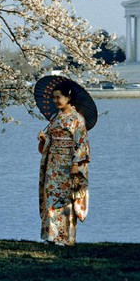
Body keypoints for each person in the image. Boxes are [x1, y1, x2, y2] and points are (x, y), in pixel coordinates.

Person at [37, 81, 90, 246]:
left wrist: (76, 164)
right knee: (50, 197)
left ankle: (64, 236)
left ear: (68, 98)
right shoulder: (55, 117)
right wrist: (44, 140)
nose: (55, 101)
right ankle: (50, 235)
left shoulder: (77, 119)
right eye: (53, 97)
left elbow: (82, 143)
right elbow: (50, 140)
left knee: (65, 200)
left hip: (67, 163)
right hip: (52, 162)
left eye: (58, 97)